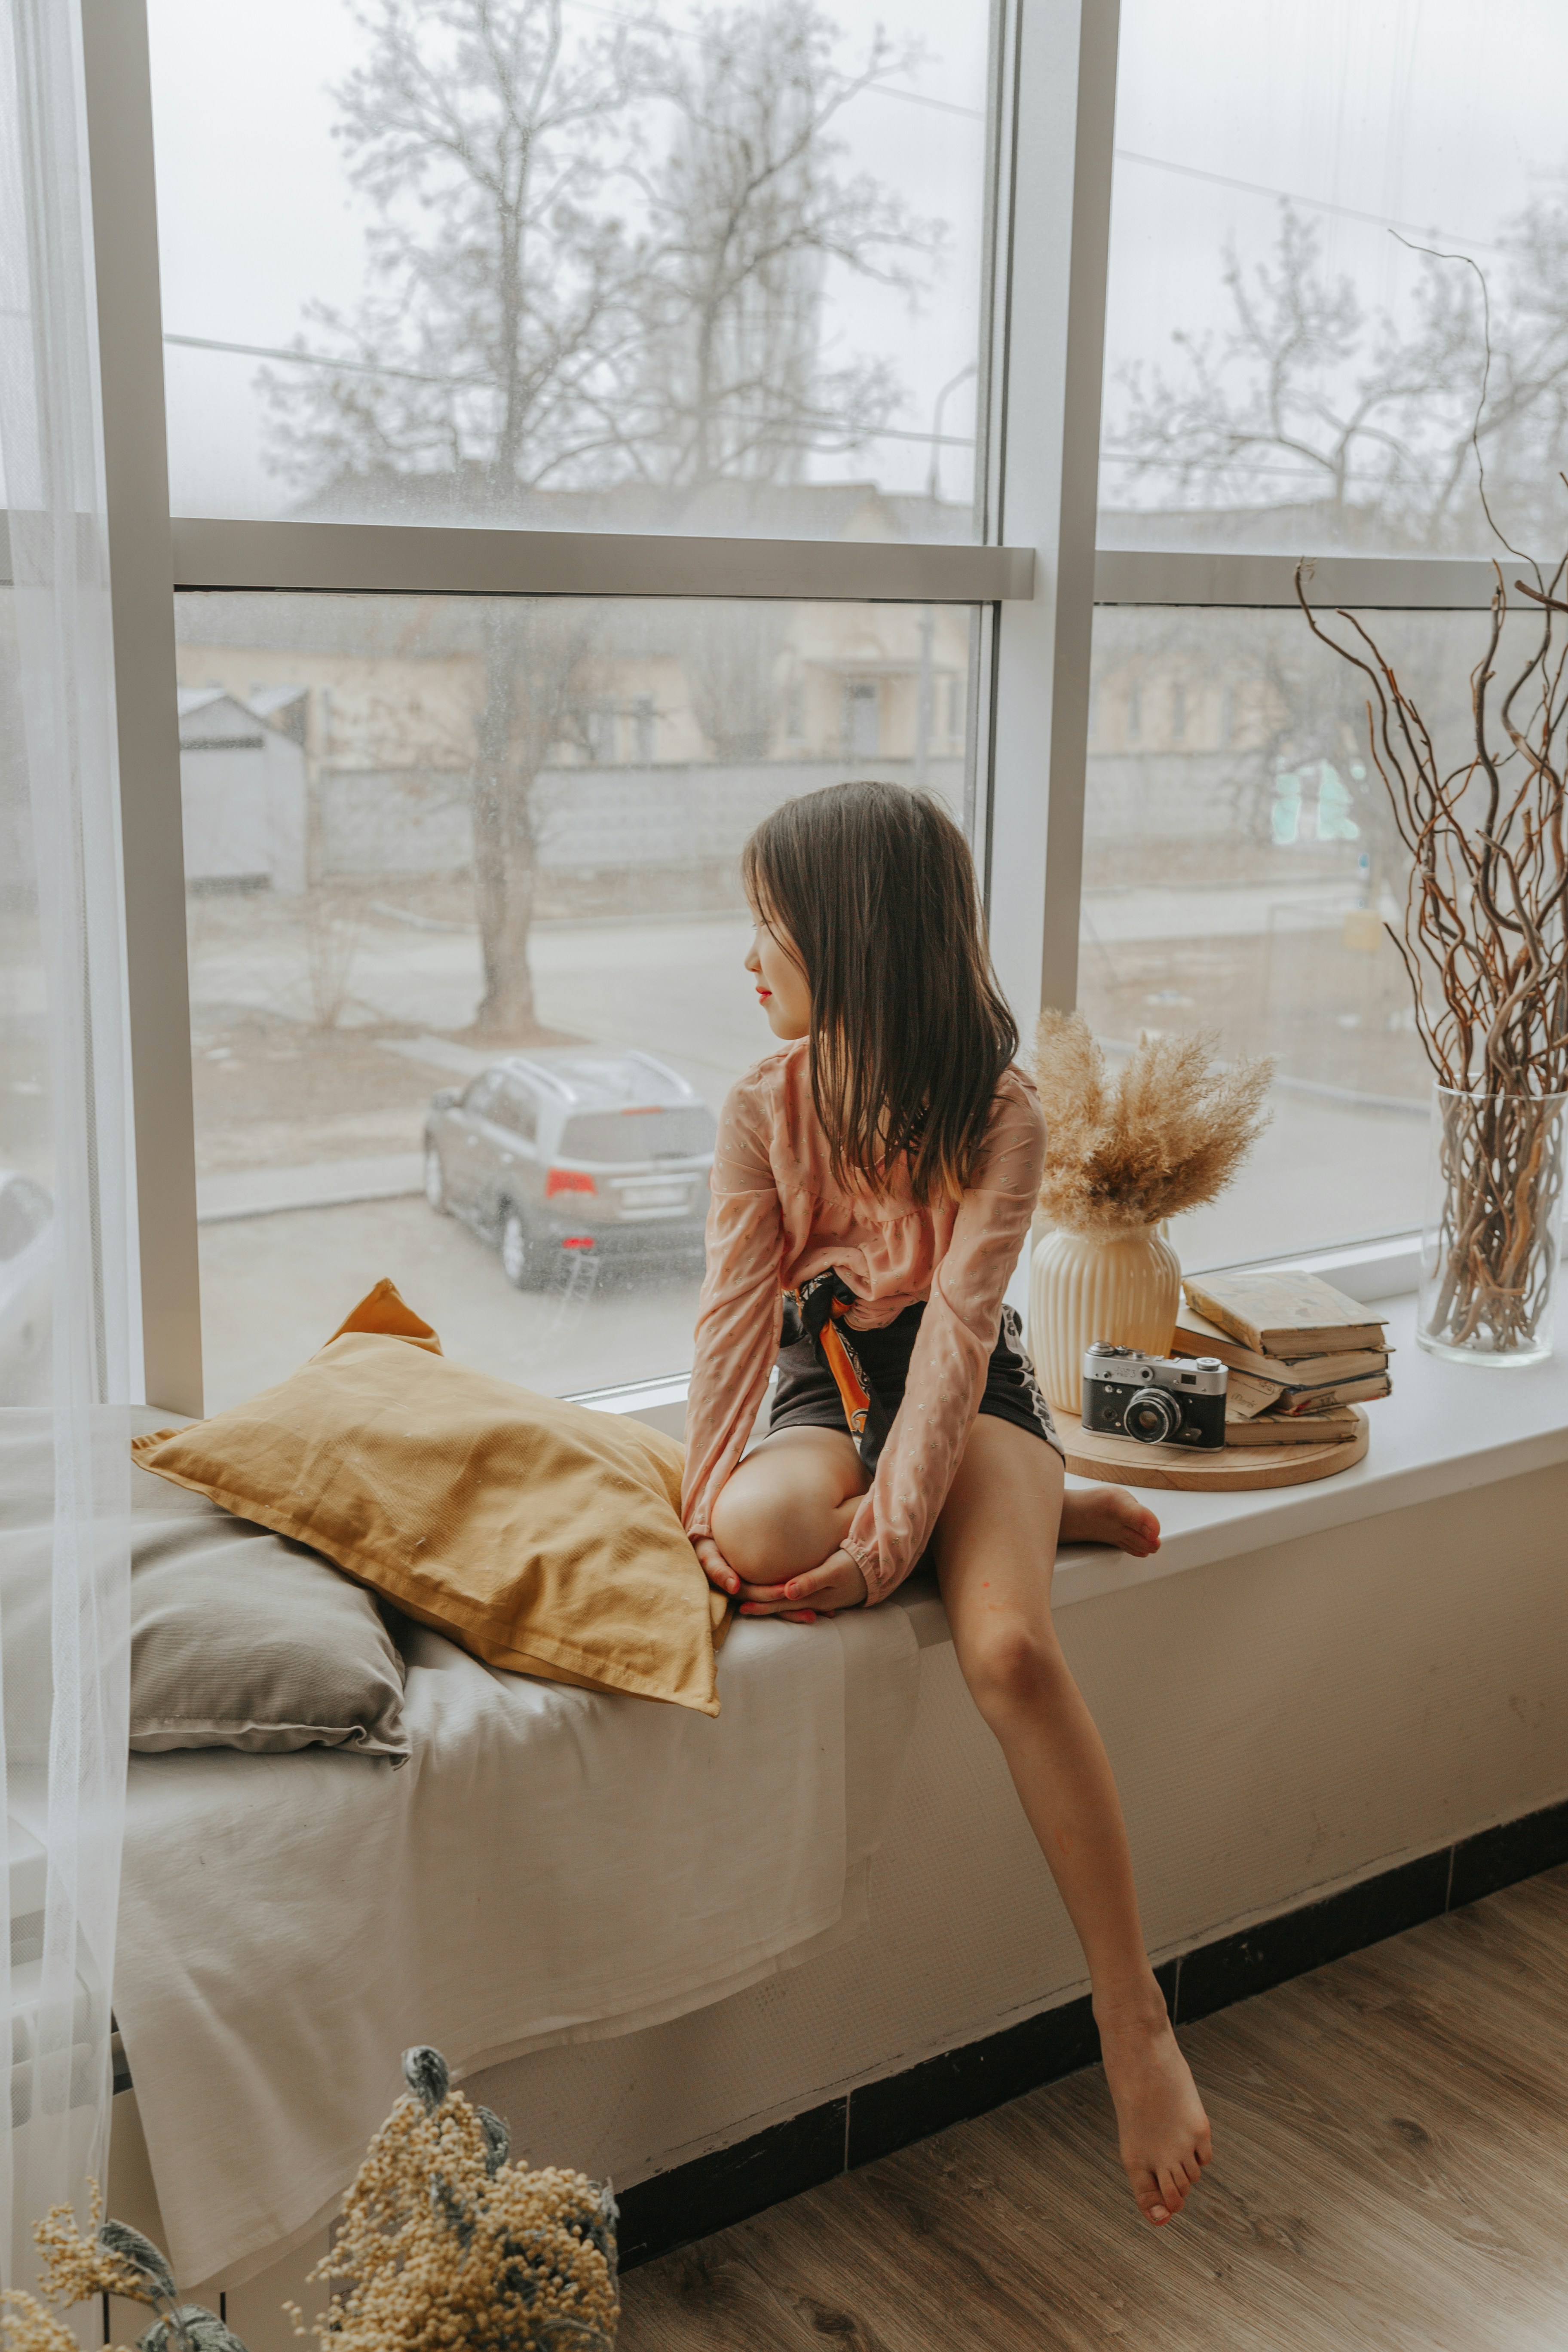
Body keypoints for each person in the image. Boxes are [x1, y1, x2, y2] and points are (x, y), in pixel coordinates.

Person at [682, 780, 1212, 2230]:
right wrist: (695, 1521)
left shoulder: (1000, 1115)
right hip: (821, 1373)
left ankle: (1132, 2018)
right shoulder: (759, 1108)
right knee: (761, 1535)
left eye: (770, 931)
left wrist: (887, 1554)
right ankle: (1042, 1511)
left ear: (849, 942)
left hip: (963, 1392)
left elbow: (963, 1344)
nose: (750, 962)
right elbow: (735, 1330)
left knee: (1009, 1654)